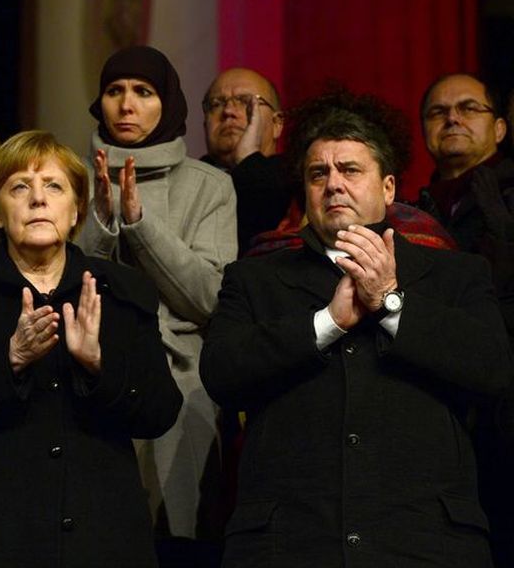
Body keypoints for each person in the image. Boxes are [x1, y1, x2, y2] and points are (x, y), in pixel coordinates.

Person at [201, 88, 512, 567]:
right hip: (290, 544)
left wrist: (391, 303)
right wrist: (326, 323)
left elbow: (492, 371)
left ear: (388, 188)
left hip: (424, 542)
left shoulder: (456, 272)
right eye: (317, 173)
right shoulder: (254, 276)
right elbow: (221, 374)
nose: (333, 185)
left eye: (350, 170)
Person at [0, 131, 182, 567]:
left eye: (54, 186)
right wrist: (8, 361)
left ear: (76, 211)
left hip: (101, 537)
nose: (38, 200)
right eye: (20, 187)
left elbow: (161, 411)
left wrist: (98, 366)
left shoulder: (122, 290)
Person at [76, 45, 237, 551]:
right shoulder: (69, 176)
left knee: (175, 542)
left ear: (166, 102)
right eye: (114, 91)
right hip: (87, 381)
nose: (127, 105)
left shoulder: (209, 185)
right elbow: (53, 282)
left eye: (143, 92)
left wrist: (142, 225)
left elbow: (210, 298)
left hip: (180, 384)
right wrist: (102, 223)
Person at [415, 73, 514, 567]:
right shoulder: (410, 212)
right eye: (438, 112)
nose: (452, 118)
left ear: (499, 128)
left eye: (468, 108)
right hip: (439, 415)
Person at [201, 68, 292, 254]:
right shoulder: (189, 181)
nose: (227, 111)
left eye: (245, 102)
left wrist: (247, 157)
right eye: (216, 104)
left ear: (277, 124)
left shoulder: (300, 179)